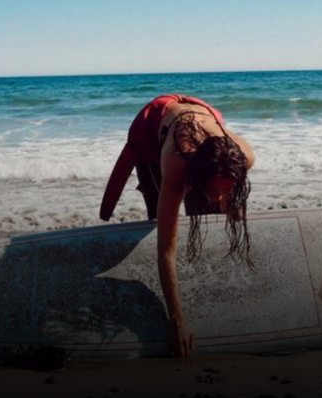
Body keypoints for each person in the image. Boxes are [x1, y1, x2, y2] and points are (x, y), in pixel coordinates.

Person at [99, 94, 255, 358]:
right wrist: (177, 321)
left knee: (218, 205)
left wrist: (229, 201)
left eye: (225, 189)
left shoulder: (245, 158)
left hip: (201, 121)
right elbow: (166, 252)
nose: (218, 194)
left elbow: (226, 170)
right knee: (160, 220)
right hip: (151, 136)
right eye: (214, 188)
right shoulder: (177, 165)